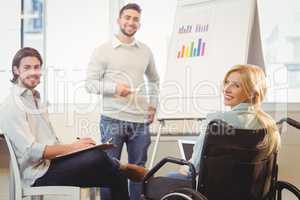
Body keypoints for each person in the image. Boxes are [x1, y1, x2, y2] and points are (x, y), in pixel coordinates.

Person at [0, 47, 148, 200]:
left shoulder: (35, 99)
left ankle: (119, 168)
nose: (33, 72)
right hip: (38, 175)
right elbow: (33, 151)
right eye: (27, 67)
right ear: (16, 70)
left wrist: (77, 148)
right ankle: (121, 165)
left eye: (36, 67)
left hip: (52, 164)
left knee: (116, 175)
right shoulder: (11, 105)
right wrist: (73, 147)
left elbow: (50, 143)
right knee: (97, 157)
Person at [85, 3, 159, 200]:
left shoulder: (145, 51)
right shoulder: (103, 50)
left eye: (135, 19)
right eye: (127, 17)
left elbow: (154, 80)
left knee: (139, 170)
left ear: (139, 24)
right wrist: (114, 89)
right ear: (119, 20)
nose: (131, 22)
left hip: (140, 120)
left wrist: (153, 105)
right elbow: (90, 84)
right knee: (110, 169)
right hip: (112, 119)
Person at [169, 64, 281, 180]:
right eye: (227, 82)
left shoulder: (216, 121)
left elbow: (195, 167)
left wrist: (185, 169)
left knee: (166, 179)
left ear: (252, 92)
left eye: (236, 85)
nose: (226, 89)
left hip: (213, 190)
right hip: (250, 191)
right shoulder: (269, 124)